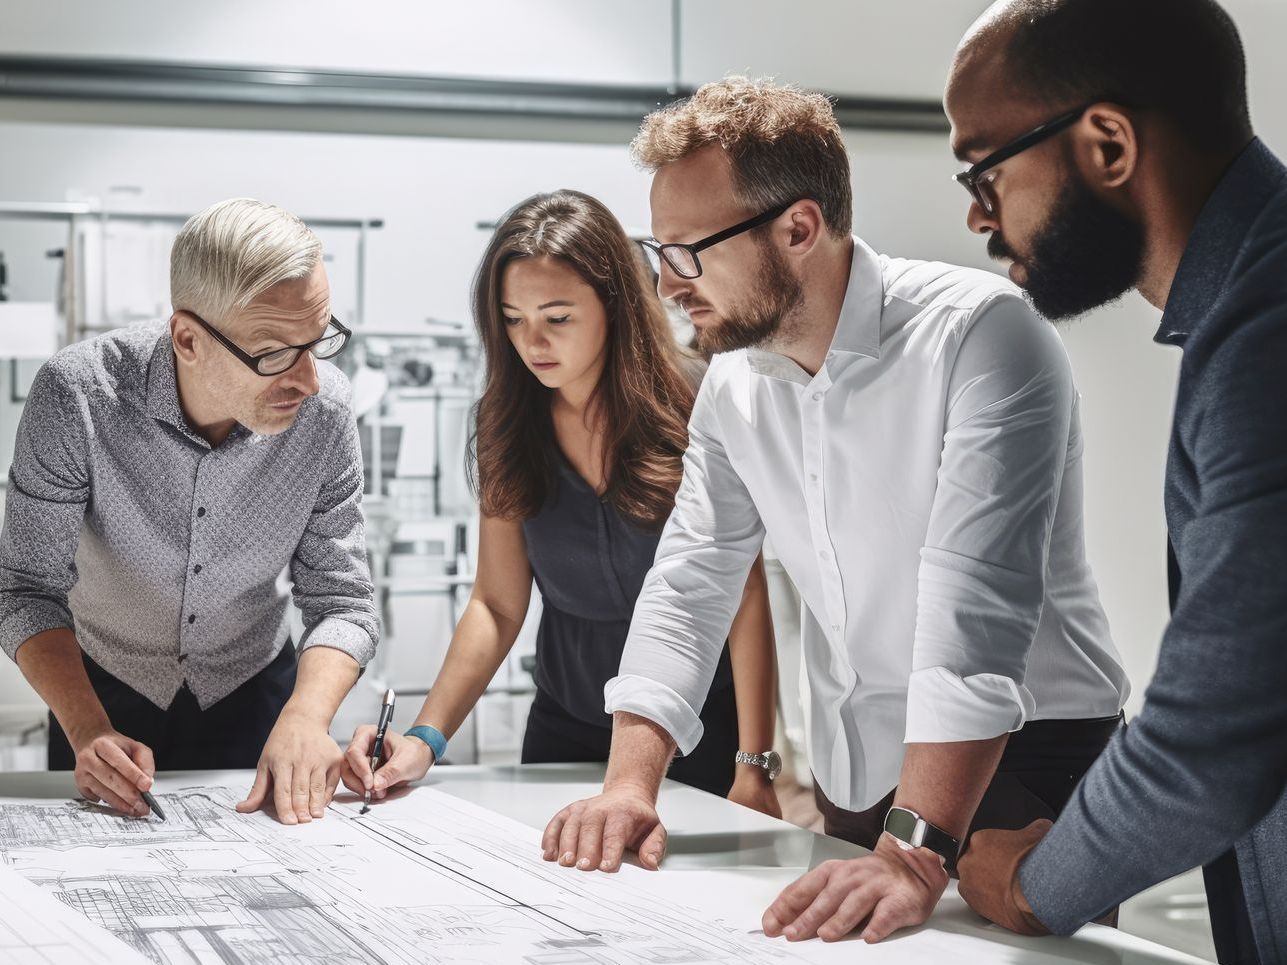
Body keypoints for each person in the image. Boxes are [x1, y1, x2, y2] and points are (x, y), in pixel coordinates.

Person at [541, 76, 1131, 944]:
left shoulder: (982, 335)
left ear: (798, 228)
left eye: (689, 251)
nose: (668, 286)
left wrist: (915, 852)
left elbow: (974, 610)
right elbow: (688, 582)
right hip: (857, 770)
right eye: (657, 251)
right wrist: (631, 782)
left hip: (1020, 753)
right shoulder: (733, 385)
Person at [944, 2, 1287, 962]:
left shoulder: (1266, 333)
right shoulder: (1245, 309)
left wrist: (1031, 883)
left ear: (1105, 144)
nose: (977, 212)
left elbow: (1215, 732)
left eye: (985, 169)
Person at [341, 190, 781, 818]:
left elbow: (744, 592)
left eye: (557, 317)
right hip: (564, 721)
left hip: (697, 724)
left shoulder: (698, 400)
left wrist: (756, 763)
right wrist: (425, 738)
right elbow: (496, 604)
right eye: (513, 318)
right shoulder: (507, 424)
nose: (533, 341)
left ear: (615, 305)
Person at [0, 198, 378, 826]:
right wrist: (87, 726)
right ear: (189, 339)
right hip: (98, 693)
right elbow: (23, 588)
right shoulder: (79, 395)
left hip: (258, 694)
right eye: (274, 352)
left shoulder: (327, 415)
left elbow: (343, 600)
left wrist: (308, 717)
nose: (309, 379)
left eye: (317, 342)